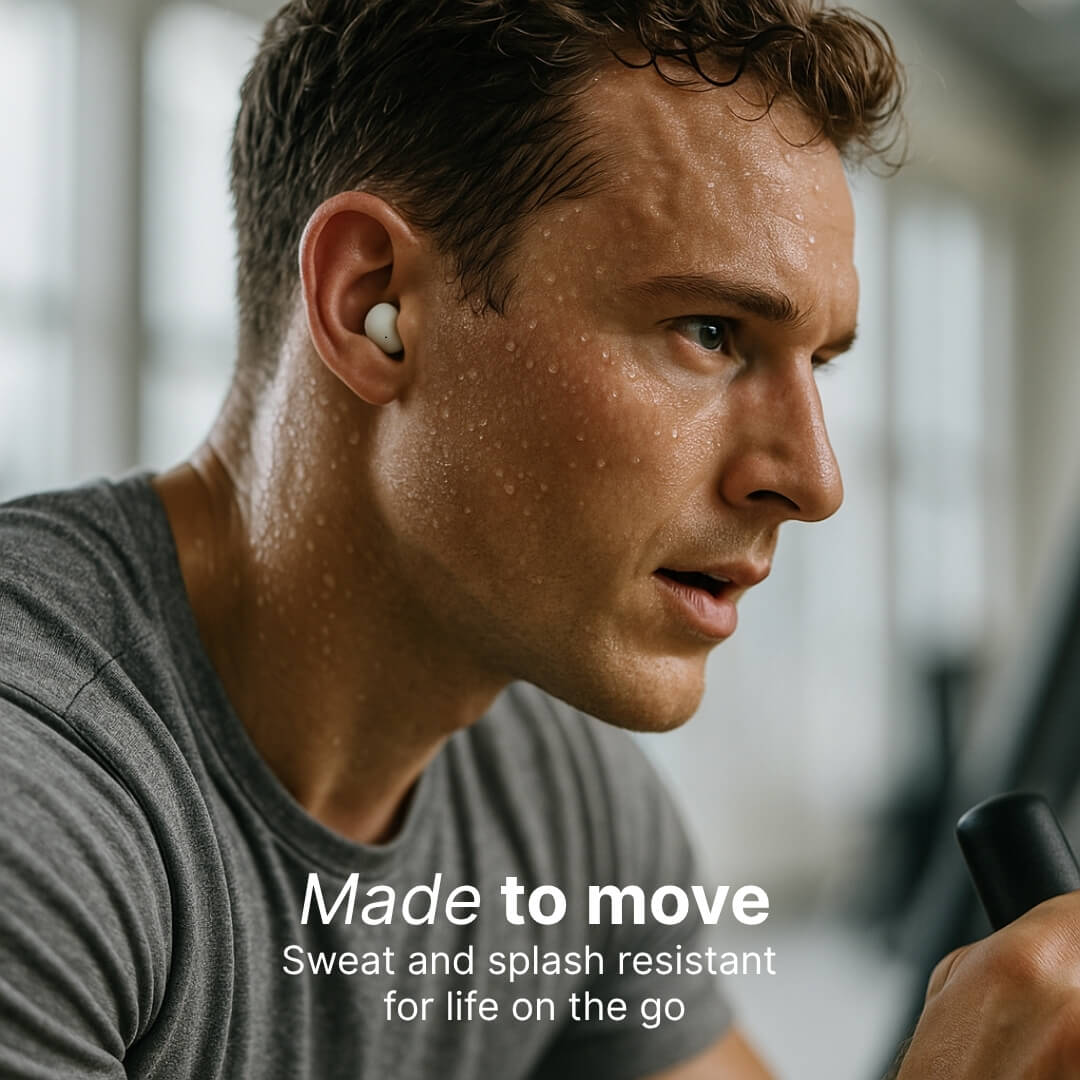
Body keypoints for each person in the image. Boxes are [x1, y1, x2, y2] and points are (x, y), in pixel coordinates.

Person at [4, 1, 1075, 1077]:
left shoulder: (554, 790)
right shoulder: (37, 807)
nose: (814, 480)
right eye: (710, 332)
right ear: (375, 303)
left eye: (821, 362)